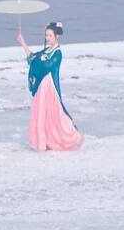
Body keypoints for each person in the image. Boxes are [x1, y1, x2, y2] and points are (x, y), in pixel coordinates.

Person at [17, 19, 84, 154]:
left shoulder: (57, 53)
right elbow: (32, 59)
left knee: (55, 114)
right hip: (42, 87)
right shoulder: (47, 51)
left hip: (50, 87)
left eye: (50, 36)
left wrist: (38, 61)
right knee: (41, 114)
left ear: (56, 36)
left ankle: (68, 138)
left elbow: (46, 66)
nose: (47, 38)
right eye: (46, 35)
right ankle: (45, 141)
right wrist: (23, 43)